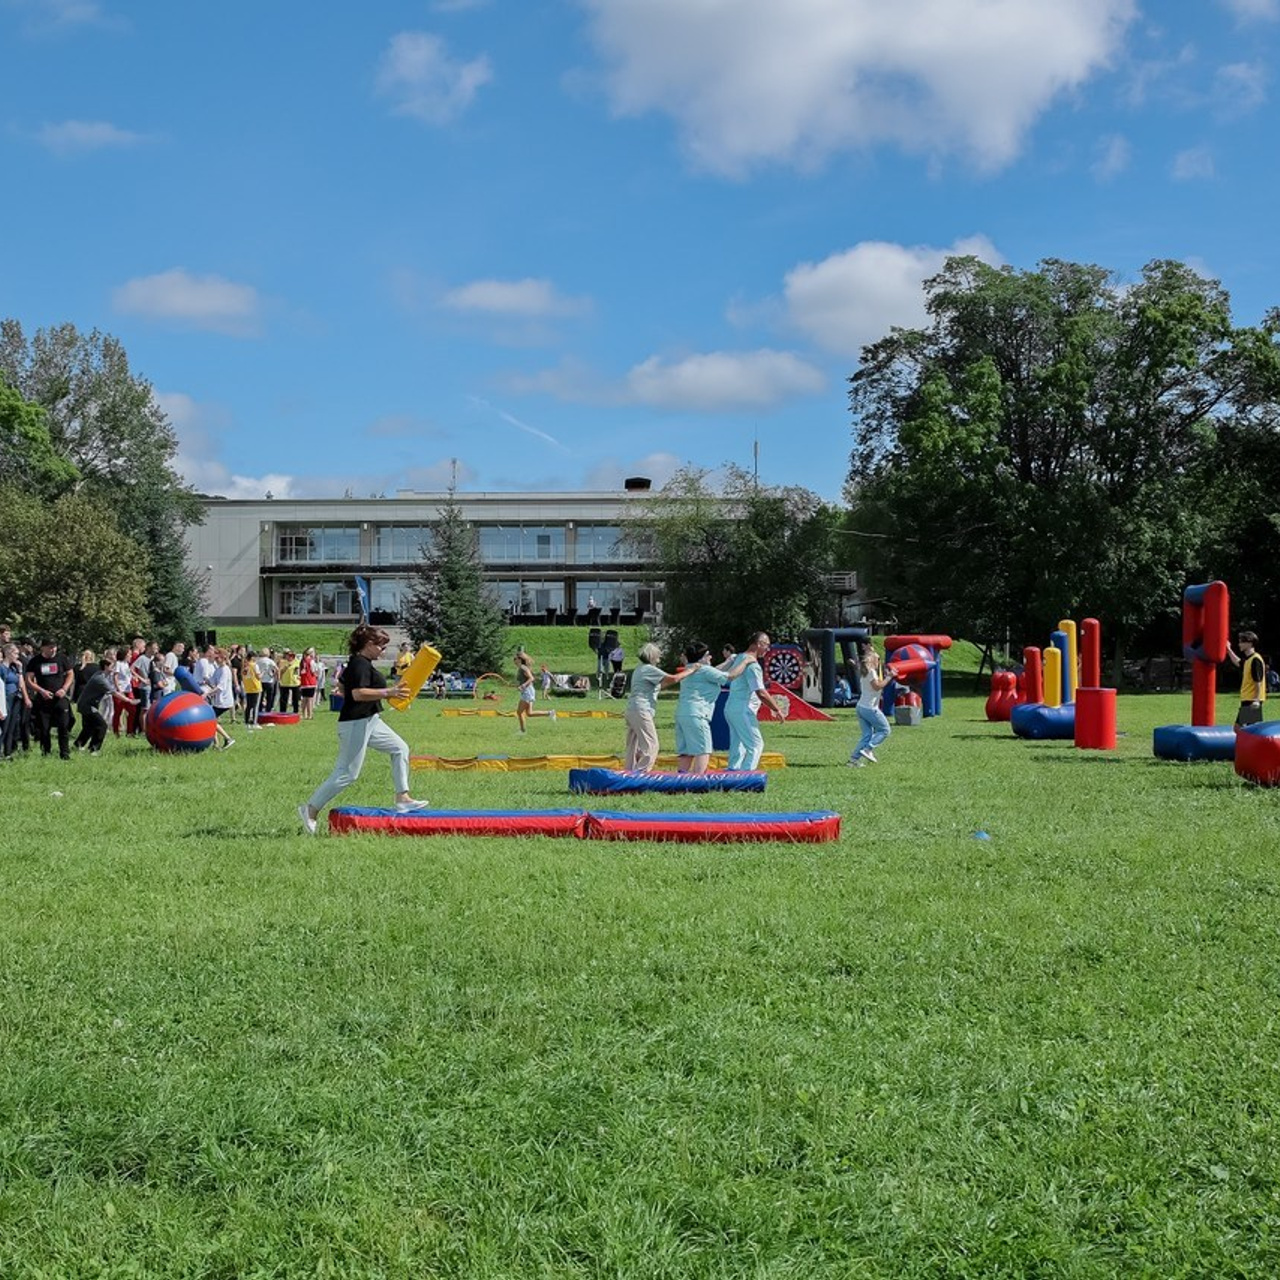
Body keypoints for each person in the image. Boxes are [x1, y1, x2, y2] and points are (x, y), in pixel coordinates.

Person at [298, 624, 429, 835]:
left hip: (371, 719)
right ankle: (310, 810)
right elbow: (358, 694)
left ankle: (402, 798)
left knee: (400, 748)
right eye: (381, 646)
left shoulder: (360, 663)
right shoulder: (360, 664)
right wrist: (389, 692)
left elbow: (342, 686)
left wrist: (354, 692)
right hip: (355, 722)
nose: (383, 651)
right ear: (369, 645)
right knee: (347, 774)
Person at [674, 640, 748, 774]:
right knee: (703, 750)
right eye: (708, 655)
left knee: (686, 751)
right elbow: (730, 676)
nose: (711, 657)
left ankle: (680, 781)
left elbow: (714, 671)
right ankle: (698, 782)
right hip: (697, 714)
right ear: (701, 658)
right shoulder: (704, 670)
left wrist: (728, 662)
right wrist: (745, 662)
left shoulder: (689, 668)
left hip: (682, 714)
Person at [721, 632, 789, 770]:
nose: (767, 649)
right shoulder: (752, 665)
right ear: (759, 644)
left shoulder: (739, 657)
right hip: (743, 710)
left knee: (738, 745)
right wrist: (777, 709)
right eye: (767, 646)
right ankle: (746, 779)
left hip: (730, 708)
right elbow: (761, 692)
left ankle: (732, 772)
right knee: (755, 745)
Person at [625, 642, 693, 771]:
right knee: (651, 744)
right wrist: (690, 670)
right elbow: (673, 679)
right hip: (641, 709)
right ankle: (642, 772)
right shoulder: (648, 669)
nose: (659, 659)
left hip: (632, 709)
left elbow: (658, 686)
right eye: (658, 656)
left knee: (633, 745)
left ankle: (629, 771)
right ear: (652, 656)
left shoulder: (639, 669)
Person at [25, 637, 74, 760]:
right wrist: (41, 691)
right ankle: (46, 752)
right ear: (43, 647)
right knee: (44, 728)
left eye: (55, 647)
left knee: (63, 726)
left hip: (60, 698)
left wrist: (64, 688)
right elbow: (28, 679)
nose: (53, 649)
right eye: (50, 647)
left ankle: (65, 754)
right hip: (43, 699)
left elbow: (70, 673)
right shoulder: (35, 661)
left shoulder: (62, 658)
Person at [850, 640, 892, 766]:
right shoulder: (872, 672)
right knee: (885, 730)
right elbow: (877, 686)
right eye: (877, 660)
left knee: (867, 734)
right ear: (872, 661)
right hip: (869, 708)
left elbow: (860, 667)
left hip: (861, 707)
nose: (879, 662)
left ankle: (853, 760)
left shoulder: (865, 672)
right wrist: (889, 677)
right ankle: (868, 749)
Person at [1226, 630, 1268, 728]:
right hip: (1248, 698)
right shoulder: (1249, 659)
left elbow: (1258, 681)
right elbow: (1238, 663)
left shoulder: (1255, 660)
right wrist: (1229, 650)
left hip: (1252, 699)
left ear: (1249, 643)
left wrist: (1256, 700)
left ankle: (1250, 743)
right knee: (1248, 728)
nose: (1239, 644)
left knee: (1240, 727)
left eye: (1241, 642)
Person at [74, 654, 114, 754]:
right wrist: (128, 700)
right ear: (106, 667)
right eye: (112, 667)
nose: (113, 669)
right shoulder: (100, 678)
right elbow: (114, 693)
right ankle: (94, 749)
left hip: (86, 705)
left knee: (89, 727)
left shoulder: (100, 674)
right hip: (87, 706)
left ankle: (78, 744)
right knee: (102, 726)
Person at [202, 648, 236, 748]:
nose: (215, 659)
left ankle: (228, 739)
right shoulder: (218, 669)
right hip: (218, 701)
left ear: (223, 658)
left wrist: (207, 694)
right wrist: (206, 680)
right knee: (211, 719)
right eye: (215, 657)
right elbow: (212, 682)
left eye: (217, 658)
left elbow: (220, 687)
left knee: (210, 719)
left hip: (224, 701)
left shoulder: (225, 670)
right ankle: (216, 743)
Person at [241, 647, 262, 726]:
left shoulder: (245, 666)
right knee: (255, 706)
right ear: (252, 657)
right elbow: (258, 677)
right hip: (255, 687)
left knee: (249, 706)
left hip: (248, 688)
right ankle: (254, 722)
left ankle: (246, 721)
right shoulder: (254, 665)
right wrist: (262, 673)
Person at [298, 646, 319, 720]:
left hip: (304, 682)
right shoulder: (311, 661)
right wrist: (317, 674)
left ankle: (302, 714)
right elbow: (314, 671)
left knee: (304, 699)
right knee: (310, 699)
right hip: (310, 682)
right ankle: (310, 714)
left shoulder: (302, 661)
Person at [279, 649, 301, 714]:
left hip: (295, 682)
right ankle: (282, 712)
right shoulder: (283, 662)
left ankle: (296, 711)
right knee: (284, 698)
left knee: (295, 698)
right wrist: (286, 667)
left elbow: (298, 670)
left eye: (292, 656)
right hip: (285, 682)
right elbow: (280, 672)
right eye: (289, 655)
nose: (291, 657)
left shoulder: (297, 661)